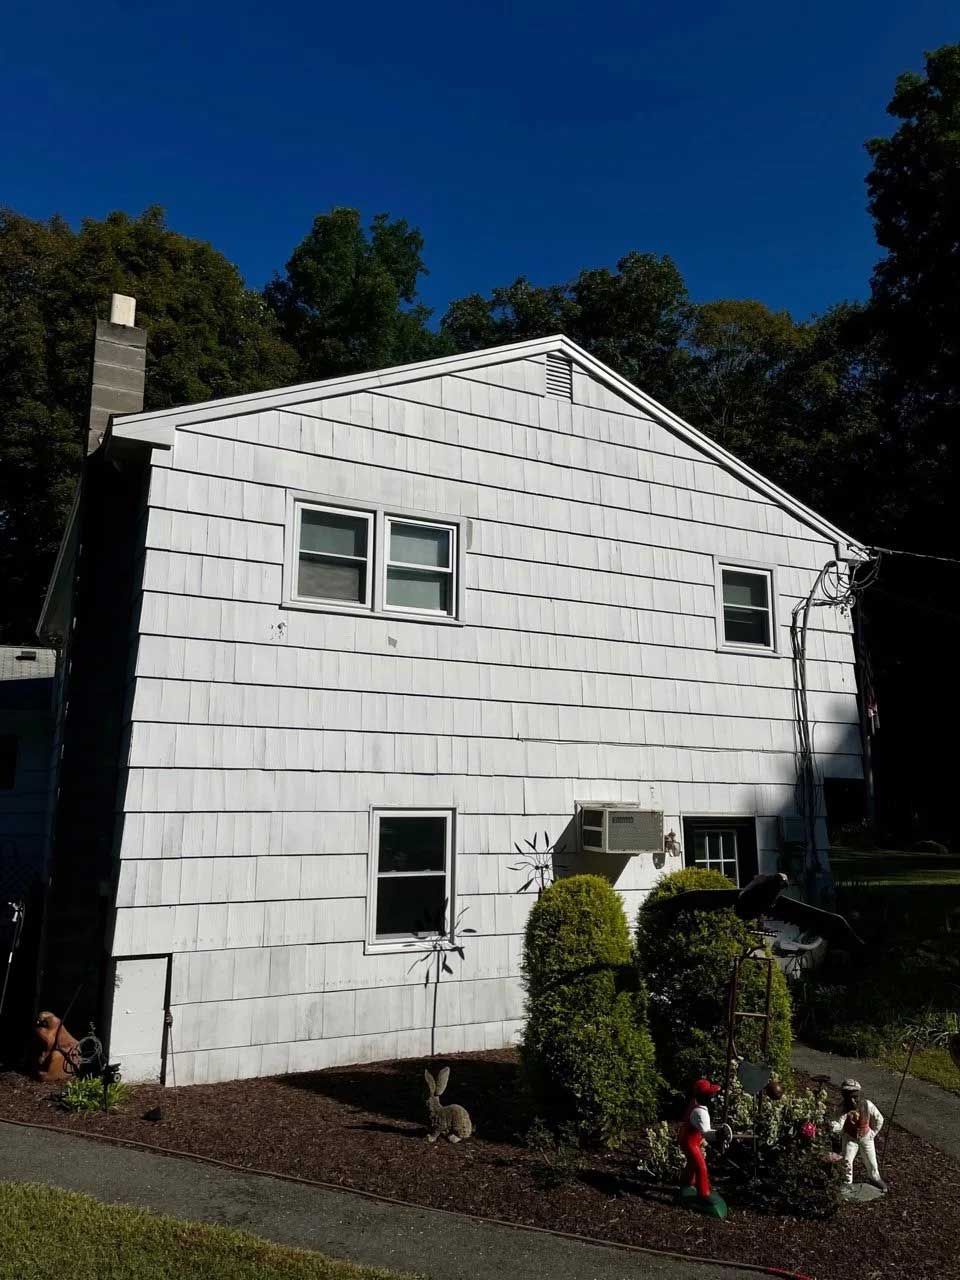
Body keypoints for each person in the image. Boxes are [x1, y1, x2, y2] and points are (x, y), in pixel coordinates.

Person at [677, 1078, 732, 1201]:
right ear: (704, 1096)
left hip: (689, 1139)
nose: (713, 1098)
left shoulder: (694, 1105)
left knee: (692, 1163)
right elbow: (707, 1134)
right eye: (710, 1095)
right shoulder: (700, 1112)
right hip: (691, 1142)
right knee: (701, 1167)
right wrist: (719, 1134)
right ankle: (704, 1194)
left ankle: (686, 1183)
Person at [829, 1078, 887, 1191]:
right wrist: (834, 1126)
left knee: (871, 1161)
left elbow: (879, 1119)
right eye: (849, 1098)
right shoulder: (842, 1109)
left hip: (866, 1137)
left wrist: (873, 1133)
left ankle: (875, 1177)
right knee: (847, 1161)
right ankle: (847, 1182)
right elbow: (837, 1125)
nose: (853, 1101)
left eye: (855, 1097)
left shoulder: (867, 1105)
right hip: (850, 1138)